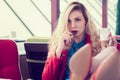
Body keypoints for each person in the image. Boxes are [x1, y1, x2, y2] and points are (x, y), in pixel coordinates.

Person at [42, 1, 101, 80]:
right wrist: (59, 50)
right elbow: (47, 78)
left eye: (78, 20)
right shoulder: (59, 43)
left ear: (85, 21)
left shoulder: (95, 41)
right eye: (69, 21)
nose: (73, 25)